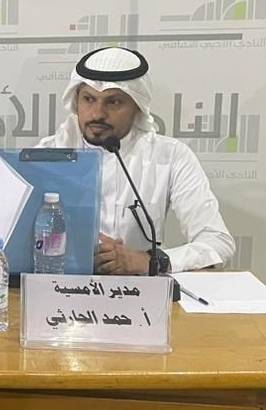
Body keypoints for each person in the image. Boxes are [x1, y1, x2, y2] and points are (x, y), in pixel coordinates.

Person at [38, 45, 234, 275]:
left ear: (137, 107)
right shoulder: (46, 155)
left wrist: (149, 261)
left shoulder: (170, 156)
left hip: (141, 289)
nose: (97, 114)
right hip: (60, 286)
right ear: (76, 102)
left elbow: (218, 242)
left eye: (113, 102)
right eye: (89, 99)